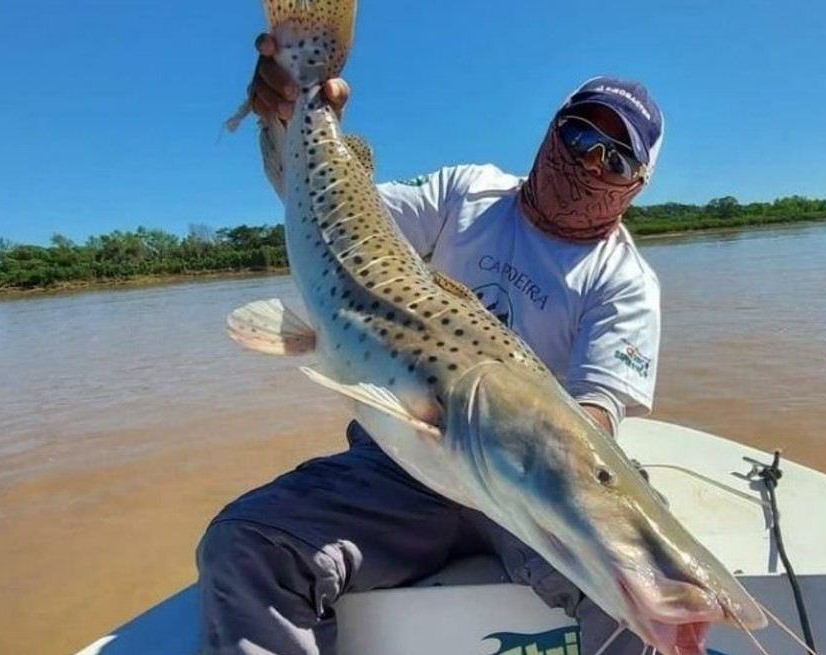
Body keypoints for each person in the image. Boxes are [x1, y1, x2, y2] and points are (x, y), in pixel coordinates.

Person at [197, 32, 665, 655]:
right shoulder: (467, 193)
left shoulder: (625, 282)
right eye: (580, 135)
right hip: (399, 461)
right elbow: (330, 213)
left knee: (647, 593)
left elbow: (592, 421)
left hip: (528, 496)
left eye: (616, 159)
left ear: (637, 185)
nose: (588, 163)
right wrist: (286, 118)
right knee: (245, 544)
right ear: (552, 130)